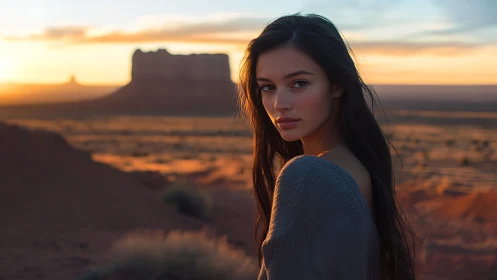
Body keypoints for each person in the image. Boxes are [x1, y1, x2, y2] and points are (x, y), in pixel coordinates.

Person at [237, 13, 418, 279]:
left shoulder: (309, 176)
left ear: (337, 85)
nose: (279, 103)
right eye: (267, 87)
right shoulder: (358, 166)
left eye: (299, 83)